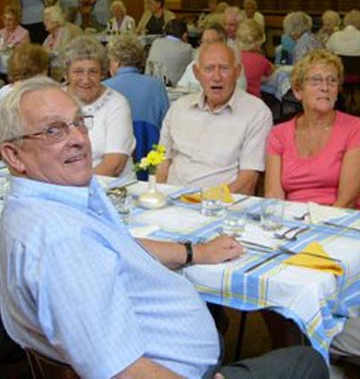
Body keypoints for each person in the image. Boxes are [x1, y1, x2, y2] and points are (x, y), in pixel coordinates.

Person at [0, 76, 329, 379]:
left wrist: (193, 252)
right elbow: (120, 371)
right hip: (178, 371)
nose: (77, 139)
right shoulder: (63, 240)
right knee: (305, 361)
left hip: (167, 345)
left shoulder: (45, 203)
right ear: (14, 155)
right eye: (53, 131)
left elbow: (115, 248)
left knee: (211, 310)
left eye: (78, 123)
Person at [157, 42, 272, 194]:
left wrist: (202, 201)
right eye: (209, 69)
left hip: (220, 207)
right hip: (170, 202)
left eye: (224, 68)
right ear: (197, 73)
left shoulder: (256, 113)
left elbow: (247, 182)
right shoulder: (179, 107)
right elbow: (162, 161)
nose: (217, 77)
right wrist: (159, 195)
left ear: (237, 72)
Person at [265, 49, 360, 208]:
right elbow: (274, 196)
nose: (325, 87)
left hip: (338, 219)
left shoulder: (354, 128)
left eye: (332, 81)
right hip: (292, 221)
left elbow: (347, 199)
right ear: (298, 90)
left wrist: (317, 228)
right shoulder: (278, 134)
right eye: (316, 80)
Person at [65, 35, 135, 178]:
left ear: (102, 74)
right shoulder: (55, 101)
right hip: (62, 183)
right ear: (66, 74)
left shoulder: (117, 104)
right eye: (78, 71)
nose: (86, 79)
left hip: (107, 186)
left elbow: (114, 164)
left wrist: (75, 186)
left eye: (93, 72)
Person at [105, 35, 169, 164]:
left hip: (116, 157)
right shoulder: (157, 85)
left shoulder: (105, 88)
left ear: (116, 62)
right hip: (152, 157)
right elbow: (167, 123)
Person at [178, 23, 227, 90]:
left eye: (209, 42)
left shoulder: (230, 67)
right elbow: (180, 88)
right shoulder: (194, 64)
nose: (204, 46)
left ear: (222, 44)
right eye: (202, 42)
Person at [146, 19, 193, 86]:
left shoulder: (156, 42)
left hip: (151, 84)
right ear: (185, 35)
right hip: (173, 89)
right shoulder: (186, 48)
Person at [237, 19, 273, 97]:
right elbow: (270, 73)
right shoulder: (262, 61)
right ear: (259, 41)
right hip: (254, 99)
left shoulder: (233, 56)